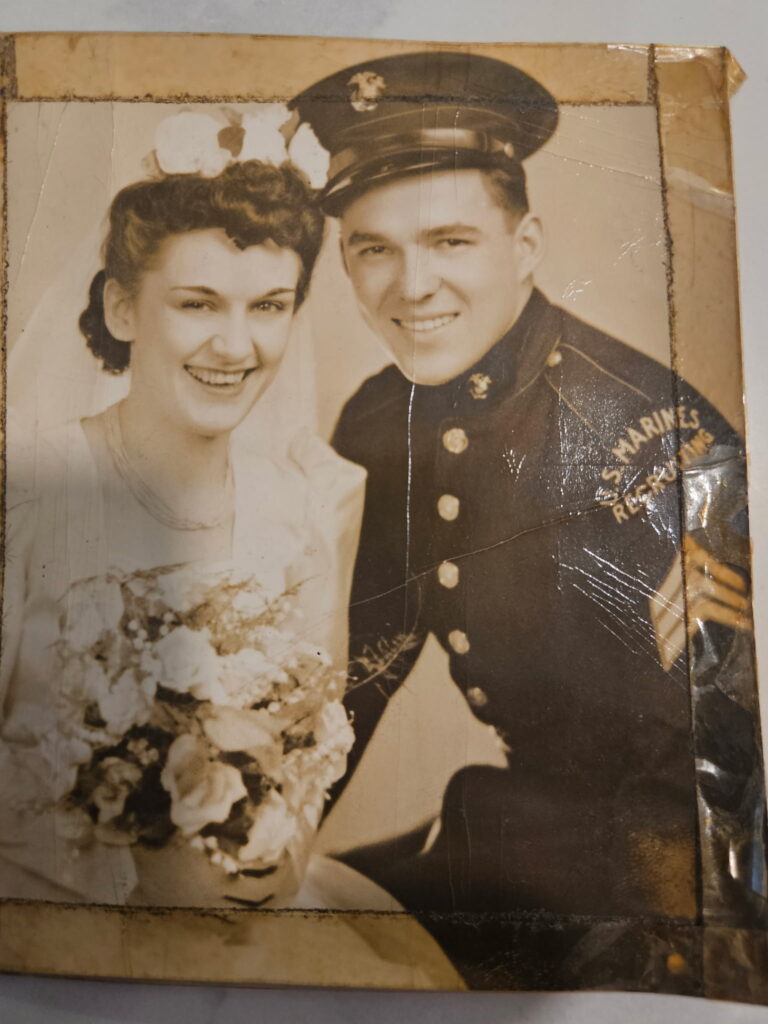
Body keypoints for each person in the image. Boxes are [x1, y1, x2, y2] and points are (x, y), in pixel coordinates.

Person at [289, 52, 765, 989]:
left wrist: (695, 968)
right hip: (509, 825)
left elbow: (722, 748)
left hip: (647, 883)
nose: (410, 286)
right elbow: (363, 665)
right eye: (373, 248)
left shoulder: (653, 433)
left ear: (528, 245)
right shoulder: (379, 420)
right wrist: (265, 830)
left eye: (452, 242)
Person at [0, 155, 366, 907]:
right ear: (123, 308)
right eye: (198, 304)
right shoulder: (31, 492)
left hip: (238, 918)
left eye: (268, 306)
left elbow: (305, 759)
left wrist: (273, 856)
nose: (236, 347)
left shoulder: (305, 510)